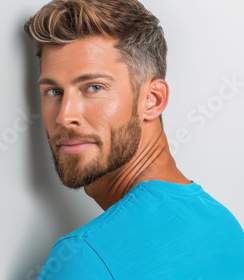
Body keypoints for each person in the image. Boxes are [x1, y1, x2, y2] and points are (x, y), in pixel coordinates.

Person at [23, 0, 244, 279]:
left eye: (93, 87)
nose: (65, 117)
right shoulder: (224, 225)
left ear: (152, 100)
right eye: (53, 91)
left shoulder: (84, 257)